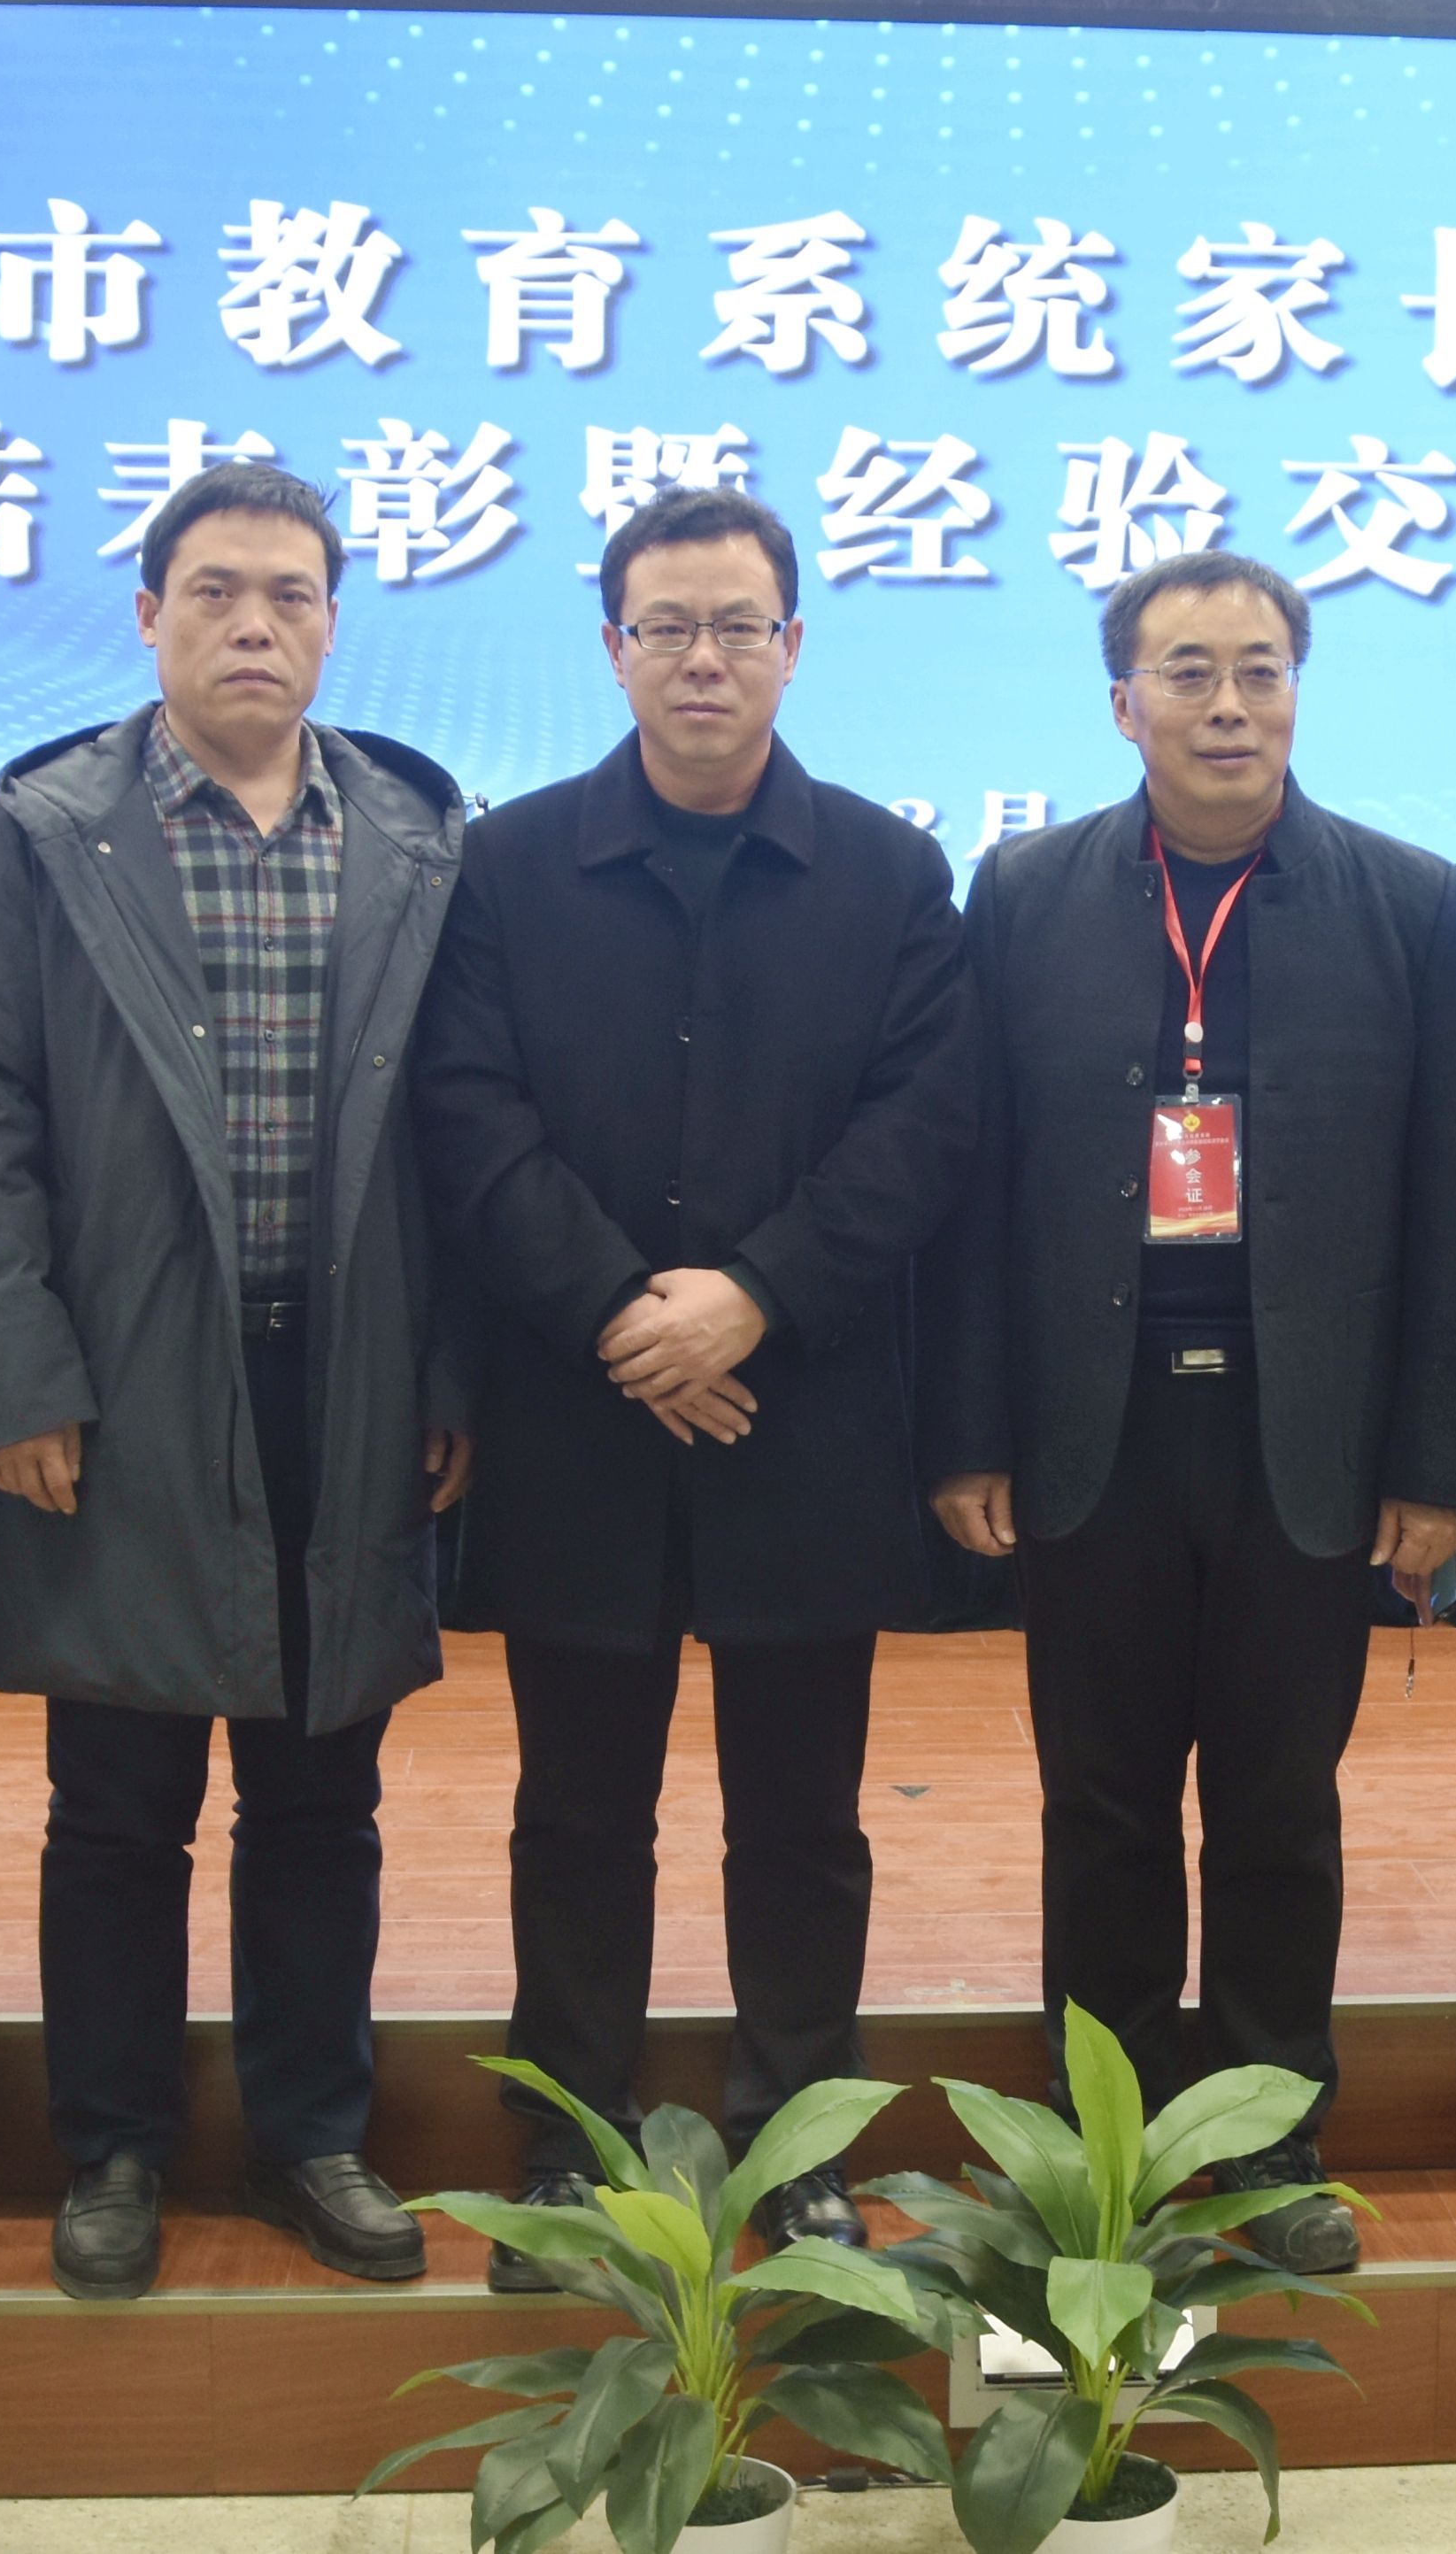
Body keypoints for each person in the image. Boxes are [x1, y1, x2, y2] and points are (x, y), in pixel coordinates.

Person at [412, 485, 977, 2285]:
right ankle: (569, 2151)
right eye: (669, 626)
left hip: (799, 1410)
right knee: (578, 1813)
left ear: (793, 646)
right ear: (613, 649)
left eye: (740, 625)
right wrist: (622, 1313)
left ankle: (797, 2141)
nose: (705, 658)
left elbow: (923, 1127)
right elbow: (466, 1110)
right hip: (581, 1416)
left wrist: (753, 1298)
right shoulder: (507, 865)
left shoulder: (890, 874)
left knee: (801, 1817)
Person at [0, 461, 474, 2294]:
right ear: (148, 613)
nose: (254, 624)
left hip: (350, 1376)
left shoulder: (412, 833)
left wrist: (449, 1368)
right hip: (124, 1377)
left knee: (322, 1798)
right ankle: (114, 2147)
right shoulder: (44, 833)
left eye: (290, 594)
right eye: (216, 591)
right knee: (116, 1802)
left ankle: (313, 2132)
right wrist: (17, 1371)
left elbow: (460, 1132)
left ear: (333, 621)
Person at [921, 547, 1456, 2278]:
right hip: (1089, 1431)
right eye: (1188, 671)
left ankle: (1267, 2136)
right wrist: (968, 1428)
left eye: (1259, 669)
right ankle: (1102, 2143)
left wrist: (1434, 1465)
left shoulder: (1407, 899)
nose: (1228, 703)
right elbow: (971, 1181)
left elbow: (1452, 1206)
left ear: (1298, 691)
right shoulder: (1024, 891)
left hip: (1299, 1436)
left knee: (1275, 1805)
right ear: (1123, 703)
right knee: (1098, 1805)